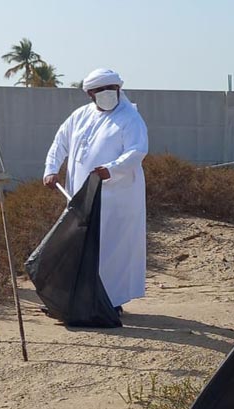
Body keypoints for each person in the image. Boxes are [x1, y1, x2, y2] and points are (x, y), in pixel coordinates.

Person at [42, 68, 149, 314]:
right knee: (76, 246)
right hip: (81, 197)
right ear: (90, 93)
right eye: (101, 90)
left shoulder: (130, 118)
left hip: (117, 198)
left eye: (112, 88)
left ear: (119, 89)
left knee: (111, 250)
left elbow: (137, 151)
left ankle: (110, 301)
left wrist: (111, 169)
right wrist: (51, 169)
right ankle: (72, 300)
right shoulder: (79, 116)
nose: (108, 93)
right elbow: (59, 143)